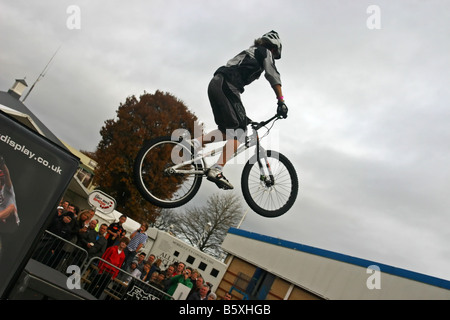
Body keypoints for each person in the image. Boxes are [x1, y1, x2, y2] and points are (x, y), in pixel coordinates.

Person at [190, 30, 288, 190]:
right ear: (274, 47)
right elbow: (273, 74)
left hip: (217, 84)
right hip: (227, 85)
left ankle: (193, 145)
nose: (274, 55)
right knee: (239, 132)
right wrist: (281, 101)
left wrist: (244, 116)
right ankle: (217, 169)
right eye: (275, 52)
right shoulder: (264, 52)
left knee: (227, 130)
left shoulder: (252, 52)